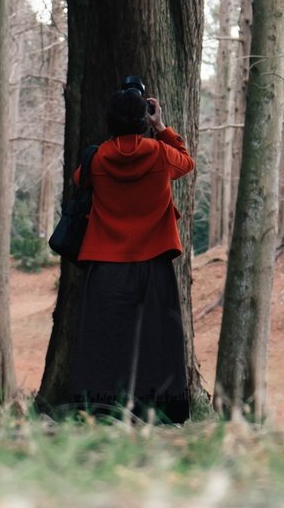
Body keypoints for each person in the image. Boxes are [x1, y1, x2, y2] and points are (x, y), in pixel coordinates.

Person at [71, 78, 195, 423]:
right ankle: (157, 411)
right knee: (156, 338)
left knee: (105, 340)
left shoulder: (97, 159)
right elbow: (186, 164)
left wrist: (109, 143)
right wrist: (162, 128)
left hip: (105, 264)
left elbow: (79, 180)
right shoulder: (159, 153)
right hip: (152, 263)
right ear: (144, 119)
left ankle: (100, 409)